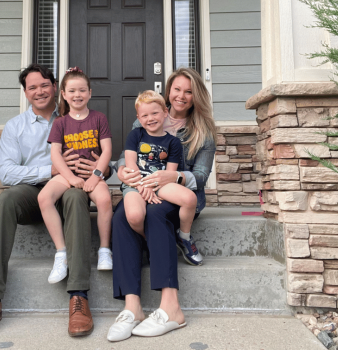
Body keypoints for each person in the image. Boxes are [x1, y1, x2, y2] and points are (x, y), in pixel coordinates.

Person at [0, 64, 110, 339]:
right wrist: (52, 169)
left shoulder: (75, 114)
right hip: (34, 194)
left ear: (55, 87)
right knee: (6, 199)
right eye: (32, 87)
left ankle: (78, 296)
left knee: (75, 196)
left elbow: (104, 157)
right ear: (25, 92)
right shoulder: (15, 127)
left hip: (72, 188)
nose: (39, 91)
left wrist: (101, 169)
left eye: (44, 85)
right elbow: (7, 173)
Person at [106, 68, 215, 342]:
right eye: (177, 89)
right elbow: (125, 157)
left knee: (155, 215)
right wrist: (123, 172)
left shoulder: (203, 132)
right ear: (168, 92)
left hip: (176, 194)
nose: (181, 96)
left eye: (188, 91)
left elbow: (200, 177)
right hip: (144, 187)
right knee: (120, 217)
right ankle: (132, 308)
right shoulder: (145, 120)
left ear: (196, 96)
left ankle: (171, 308)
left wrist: (175, 175)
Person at [38, 67, 114, 284]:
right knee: (44, 198)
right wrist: (70, 177)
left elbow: (107, 150)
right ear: (63, 94)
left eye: (82, 90)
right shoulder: (60, 123)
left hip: (92, 173)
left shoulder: (99, 118)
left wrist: (96, 176)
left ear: (90, 92)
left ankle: (104, 249)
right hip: (67, 174)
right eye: (72, 91)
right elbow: (55, 153)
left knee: (105, 200)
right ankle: (61, 253)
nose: (77, 95)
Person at [122, 90, 196, 239]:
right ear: (139, 118)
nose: (150, 118)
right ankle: (146, 238)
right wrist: (142, 186)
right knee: (135, 216)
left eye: (155, 113)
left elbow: (169, 173)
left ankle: (184, 236)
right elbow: (130, 166)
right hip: (136, 184)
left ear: (165, 112)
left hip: (160, 185)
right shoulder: (135, 135)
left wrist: (153, 186)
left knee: (190, 199)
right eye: (145, 115)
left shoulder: (173, 142)